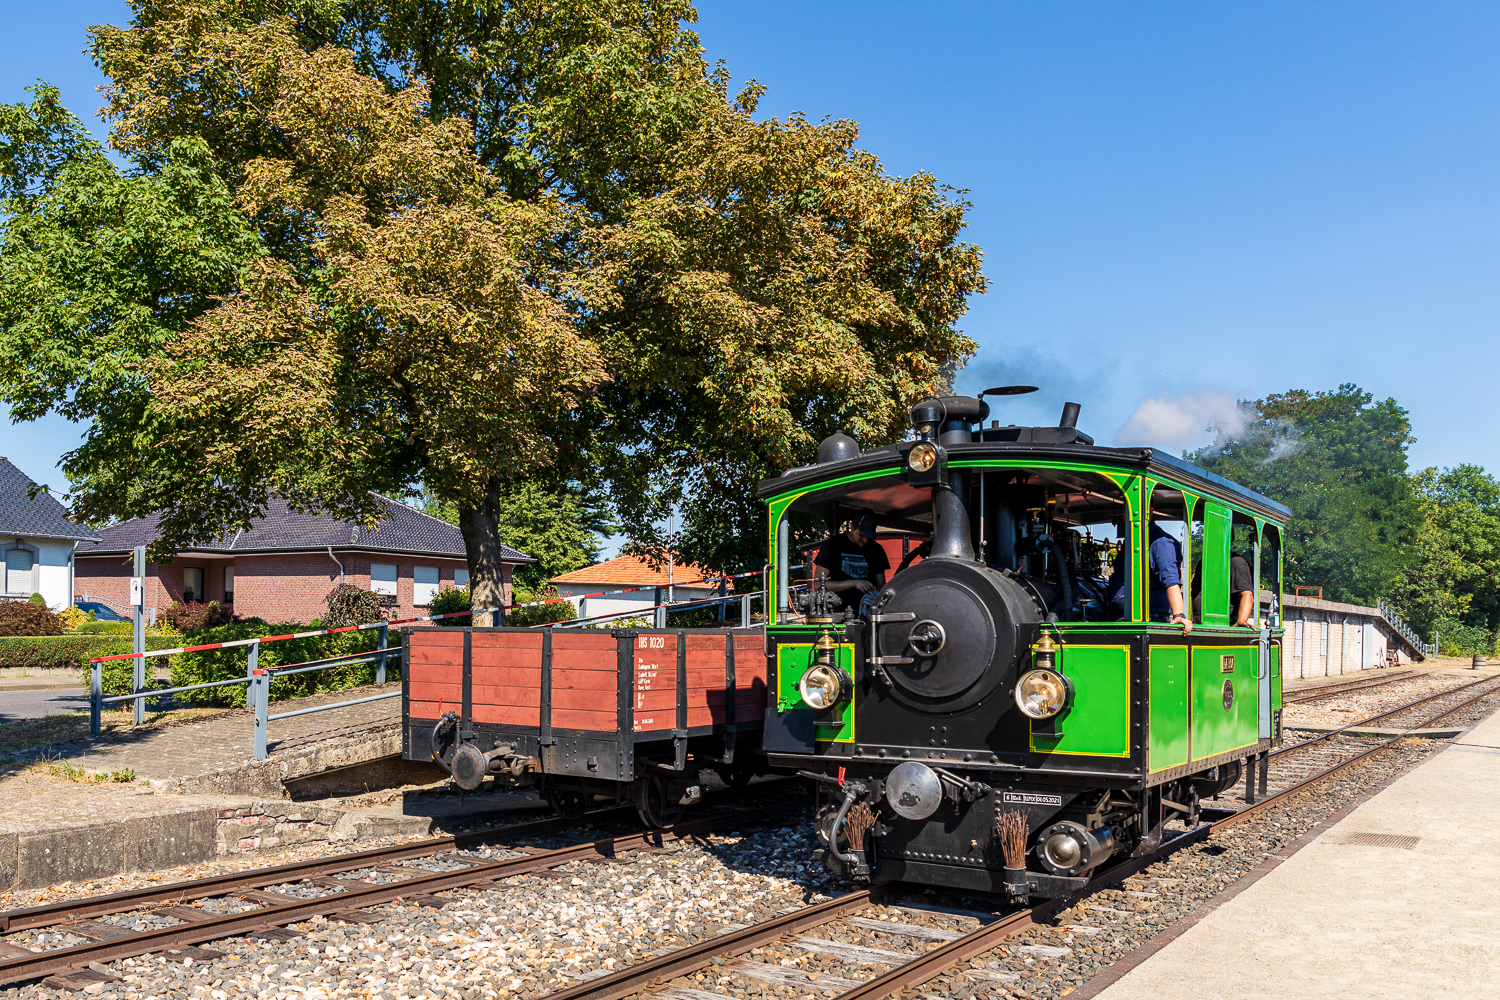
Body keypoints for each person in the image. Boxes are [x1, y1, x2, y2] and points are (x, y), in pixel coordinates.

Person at [1106, 519, 1192, 633]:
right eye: (1123, 509)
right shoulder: (1132, 540)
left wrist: (1178, 615)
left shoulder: (1161, 542)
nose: (1125, 514)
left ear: (1150, 511)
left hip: (1149, 620)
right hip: (1123, 619)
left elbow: (1170, 578)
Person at [814, 511, 891, 618]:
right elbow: (818, 585)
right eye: (861, 535)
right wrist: (854, 583)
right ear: (851, 526)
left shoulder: (877, 550)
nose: (865, 540)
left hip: (866, 616)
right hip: (835, 614)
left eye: (868, 537)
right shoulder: (832, 545)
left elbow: (881, 587)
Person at [1230, 551, 1255, 627]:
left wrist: (1241, 620)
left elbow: (1247, 593)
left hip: (1228, 622)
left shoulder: (1237, 562)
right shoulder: (1205, 561)